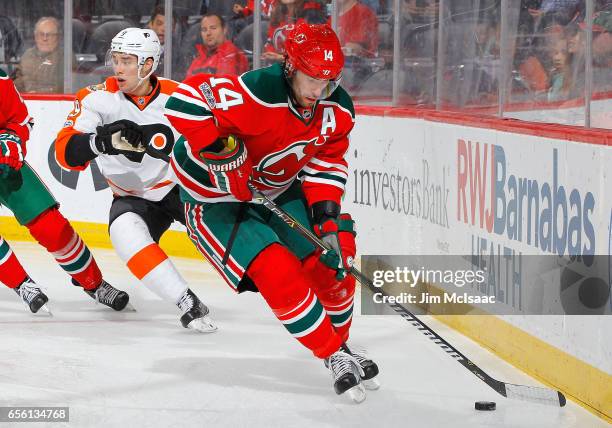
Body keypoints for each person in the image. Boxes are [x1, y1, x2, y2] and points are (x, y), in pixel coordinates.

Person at [165, 22, 379, 401]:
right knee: (277, 270)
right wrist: (223, 152)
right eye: (311, 79)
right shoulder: (259, 91)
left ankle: (340, 349)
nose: (318, 91)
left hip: (275, 190)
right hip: (215, 200)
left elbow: (327, 164)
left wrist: (327, 219)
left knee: (334, 264)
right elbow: (182, 103)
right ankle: (331, 354)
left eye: (328, 81)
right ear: (290, 68)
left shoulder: (337, 107)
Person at [54, 28, 217, 333]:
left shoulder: (178, 95)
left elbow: (213, 141)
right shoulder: (95, 98)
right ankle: (187, 301)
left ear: (148, 64)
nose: (118, 67)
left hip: (180, 189)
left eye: (127, 60)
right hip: (132, 197)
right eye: (115, 59)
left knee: (232, 238)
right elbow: (64, 153)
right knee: (124, 234)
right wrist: (100, 142)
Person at [0, 68, 130, 313]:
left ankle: (94, 284)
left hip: (3, 163)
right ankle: (23, 284)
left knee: (51, 226)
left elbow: (19, 120)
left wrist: (11, 140)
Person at [185, 14, 249, 79]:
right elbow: (186, 85)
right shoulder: (198, 58)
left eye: (213, 28)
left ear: (224, 30)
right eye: (204, 30)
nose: (208, 33)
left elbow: (223, 85)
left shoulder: (232, 55)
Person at [12, 17, 64, 93]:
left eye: (49, 35)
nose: (44, 38)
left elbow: (63, 87)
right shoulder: (28, 55)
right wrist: (25, 81)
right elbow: (14, 82)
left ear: (58, 37)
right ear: (35, 37)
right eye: (41, 34)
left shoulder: (65, 58)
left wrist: (36, 89)